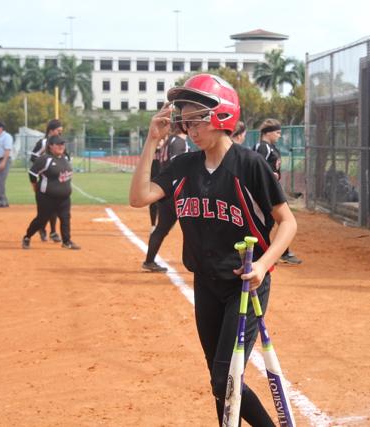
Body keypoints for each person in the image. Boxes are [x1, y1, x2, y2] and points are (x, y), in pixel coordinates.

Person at [129, 73, 297, 426]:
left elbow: (288, 222)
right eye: (186, 121)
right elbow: (138, 198)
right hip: (206, 284)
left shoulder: (249, 164)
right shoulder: (183, 166)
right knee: (220, 384)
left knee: (226, 379)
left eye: (198, 119)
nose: (191, 129)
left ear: (222, 116)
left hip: (245, 286)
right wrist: (150, 140)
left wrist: (264, 266)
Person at [254, 118, 302, 265]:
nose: (279, 135)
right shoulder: (263, 147)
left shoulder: (272, 148)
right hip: (264, 192)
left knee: (275, 221)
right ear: (267, 133)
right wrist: (268, 176)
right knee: (267, 222)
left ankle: (280, 252)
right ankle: (273, 252)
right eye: (277, 132)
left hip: (272, 190)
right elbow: (258, 167)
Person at [142, 129, 190, 272]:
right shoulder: (179, 142)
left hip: (167, 191)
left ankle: (149, 261)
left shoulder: (170, 141)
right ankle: (197, 262)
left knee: (161, 229)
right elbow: (178, 167)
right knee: (193, 229)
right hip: (176, 193)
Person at [22, 135, 80, 250]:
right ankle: (27, 237)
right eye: (58, 144)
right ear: (50, 146)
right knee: (41, 219)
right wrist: (35, 187)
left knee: (65, 218)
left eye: (62, 144)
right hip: (47, 197)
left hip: (64, 198)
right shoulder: (45, 159)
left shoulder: (65, 158)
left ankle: (66, 241)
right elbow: (32, 173)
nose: (61, 146)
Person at [30, 119, 65, 242]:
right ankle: (42, 228)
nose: (60, 134)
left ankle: (53, 232)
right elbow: (33, 157)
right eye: (58, 131)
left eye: (61, 132)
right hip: (45, 178)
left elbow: (64, 157)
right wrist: (45, 164)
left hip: (56, 178)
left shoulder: (59, 143)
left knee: (55, 207)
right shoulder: (43, 142)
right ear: (51, 131)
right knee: (45, 208)